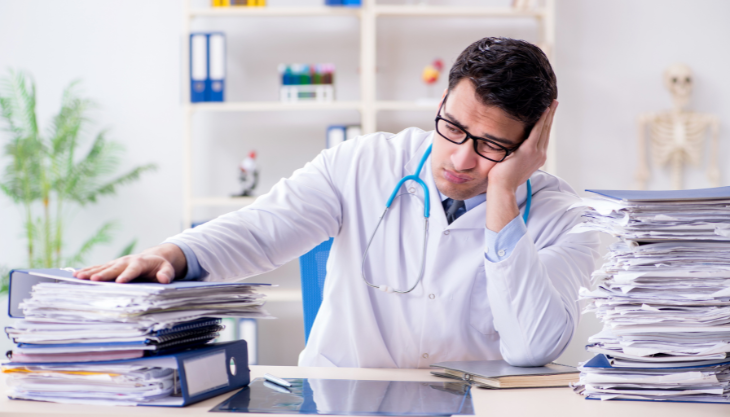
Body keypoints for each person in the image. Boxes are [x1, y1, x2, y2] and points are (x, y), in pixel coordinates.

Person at [75, 37, 600, 368]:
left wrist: (503, 194)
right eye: (453, 127)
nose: (461, 160)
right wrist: (173, 254)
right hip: (341, 404)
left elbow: (532, 346)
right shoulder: (363, 164)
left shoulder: (562, 217)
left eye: (492, 146)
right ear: (440, 102)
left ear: (532, 142)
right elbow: (262, 228)